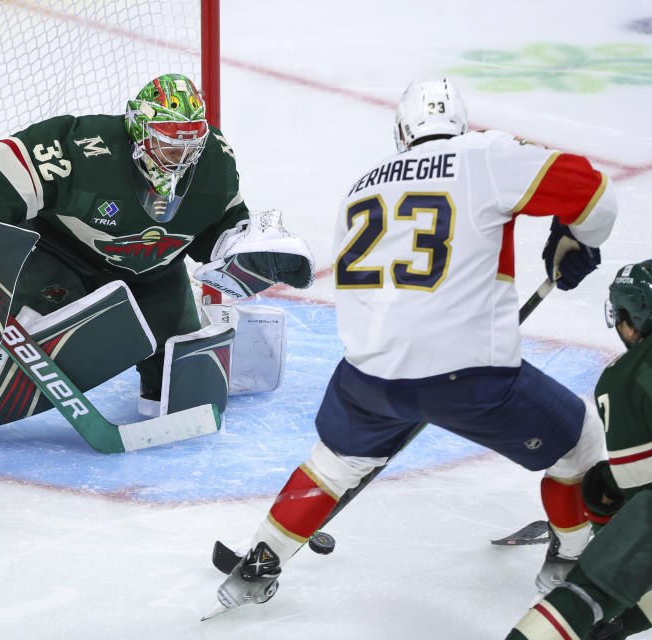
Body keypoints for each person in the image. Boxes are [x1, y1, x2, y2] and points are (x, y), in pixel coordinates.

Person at [204, 77, 618, 618]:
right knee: (581, 439)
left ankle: (263, 558)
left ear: (402, 131)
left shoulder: (362, 183)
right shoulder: (485, 154)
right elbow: (593, 191)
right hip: (468, 376)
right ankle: (570, 563)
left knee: (333, 465)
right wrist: (578, 237)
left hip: (365, 377)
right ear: (460, 124)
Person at [0, 73, 314, 460]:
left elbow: (219, 222)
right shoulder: (80, 147)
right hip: (62, 260)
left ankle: (156, 383)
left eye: (190, 145)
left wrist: (241, 242)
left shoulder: (213, 160)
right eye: (169, 146)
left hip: (156, 274)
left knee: (185, 373)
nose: (182, 159)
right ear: (139, 129)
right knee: (51, 351)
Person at [505, 259, 652, 640]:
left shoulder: (628, 373)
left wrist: (606, 527)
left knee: (587, 590)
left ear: (631, 318)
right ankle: (620, 625)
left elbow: (639, 488)